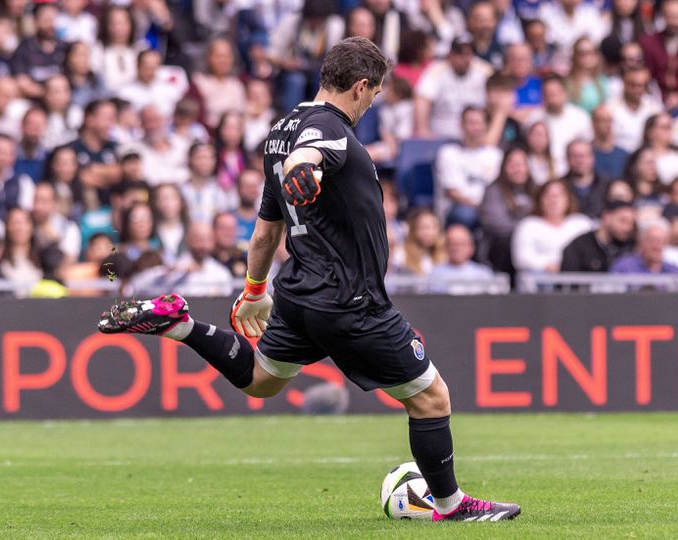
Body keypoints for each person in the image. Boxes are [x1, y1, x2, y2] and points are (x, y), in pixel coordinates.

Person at [98, 37, 520, 522]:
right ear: (360, 86)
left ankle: (180, 325)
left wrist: (255, 290)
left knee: (261, 381)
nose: (370, 105)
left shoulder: (281, 129)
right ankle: (450, 506)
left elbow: (264, 232)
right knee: (430, 397)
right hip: (349, 300)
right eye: (374, 94)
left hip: (296, 292)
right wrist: (305, 169)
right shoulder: (328, 129)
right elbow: (310, 156)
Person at [434, 107, 503, 228]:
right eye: (470, 123)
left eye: (479, 123)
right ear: (461, 125)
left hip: (489, 207)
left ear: (486, 126)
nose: (475, 127)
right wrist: (481, 207)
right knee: (466, 215)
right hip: (459, 208)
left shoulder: (495, 155)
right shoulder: (448, 153)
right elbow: (452, 192)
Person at [512, 178, 594, 274]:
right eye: (549, 196)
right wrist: (546, 266)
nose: (554, 201)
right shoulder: (528, 225)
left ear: (568, 199)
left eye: (559, 195)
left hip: (578, 278)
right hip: (542, 279)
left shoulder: (582, 224)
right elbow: (521, 258)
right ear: (540, 200)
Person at [638, 0, 678, 107]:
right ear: (663, 17)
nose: (675, 22)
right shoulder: (648, 43)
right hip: (651, 98)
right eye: (671, 16)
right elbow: (643, 75)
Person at [560, 199, 636, 273]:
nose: (627, 228)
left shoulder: (631, 247)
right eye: (622, 220)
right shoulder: (579, 247)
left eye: (631, 223)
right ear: (606, 217)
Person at [426, 224, 495, 292]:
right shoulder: (435, 274)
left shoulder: (483, 274)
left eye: (461, 244)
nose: (457, 248)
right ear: (445, 247)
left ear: (471, 247)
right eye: (452, 244)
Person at [611, 219, 678, 275]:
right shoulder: (624, 268)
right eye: (652, 241)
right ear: (641, 242)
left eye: (662, 242)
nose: (657, 246)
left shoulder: (673, 271)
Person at [590, 104, 629, 181]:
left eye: (610, 121)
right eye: (603, 120)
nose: (608, 125)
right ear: (593, 123)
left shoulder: (623, 155)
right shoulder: (587, 153)